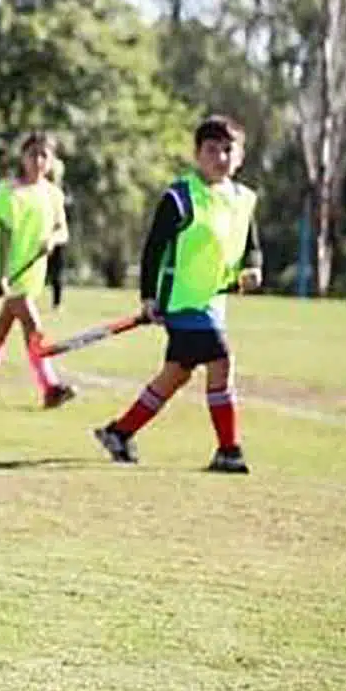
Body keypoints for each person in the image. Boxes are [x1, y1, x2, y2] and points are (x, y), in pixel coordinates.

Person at [94, 115, 261, 473]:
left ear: (240, 156)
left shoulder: (244, 199)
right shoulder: (181, 196)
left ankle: (119, 432)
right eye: (212, 149)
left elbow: (252, 243)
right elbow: (154, 249)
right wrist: (149, 298)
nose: (220, 157)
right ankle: (229, 450)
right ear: (197, 154)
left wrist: (254, 267)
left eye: (228, 150)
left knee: (175, 375)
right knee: (221, 360)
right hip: (182, 302)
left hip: (214, 303)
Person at [0, 132, 75, 408]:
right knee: (33, 327)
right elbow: (2, 236)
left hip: (33, 272)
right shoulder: (11, 193)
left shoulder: (53, 195)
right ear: (22, 158)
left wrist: (52, 239)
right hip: (11, 272)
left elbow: (63, 231)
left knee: (2, 330)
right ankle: (50, 387)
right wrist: (1, 276)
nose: (37, 161)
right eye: (32, 154)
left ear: (51, 161)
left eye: (43, 155)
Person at [45, 157, 71, 310]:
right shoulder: (42, 190)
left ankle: (57, 302)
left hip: (59, 237)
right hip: (42, 236)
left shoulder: (62, 191)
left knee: (57, 272)